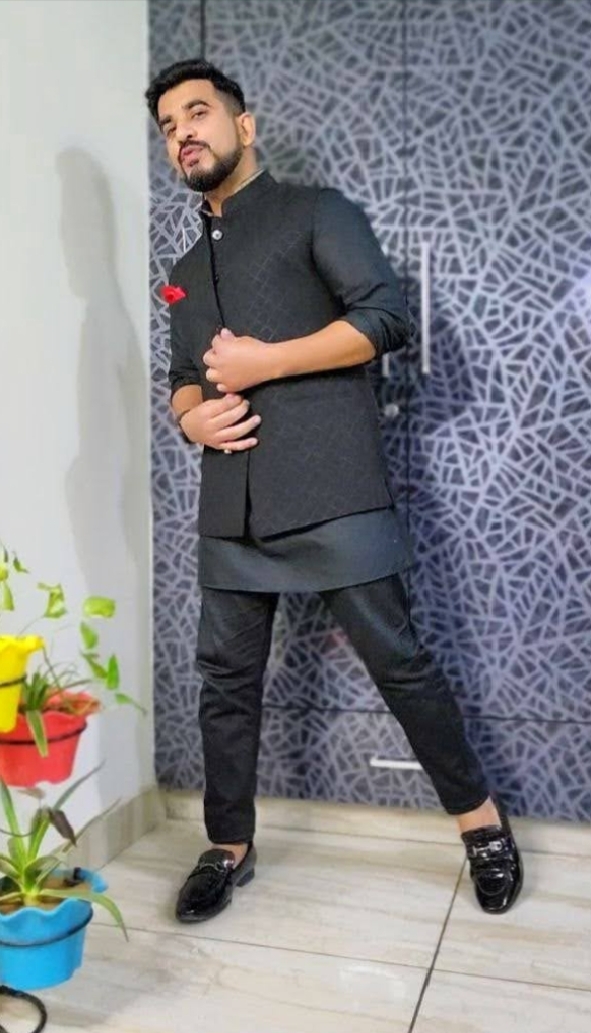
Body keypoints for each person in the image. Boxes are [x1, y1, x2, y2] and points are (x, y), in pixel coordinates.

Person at [145, 59, 523, 923]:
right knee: (225, 681)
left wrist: (266, 361)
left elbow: (384, 317)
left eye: (197, 114)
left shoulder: (318, 212)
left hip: (334, 484)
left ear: (244, 125)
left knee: (398, 661)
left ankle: (479, 822)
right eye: (167, 127)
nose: (182, 134)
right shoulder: (182, 266)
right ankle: (227, 845)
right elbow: (181, 375)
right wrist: (190, 418)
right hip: (231, 502)